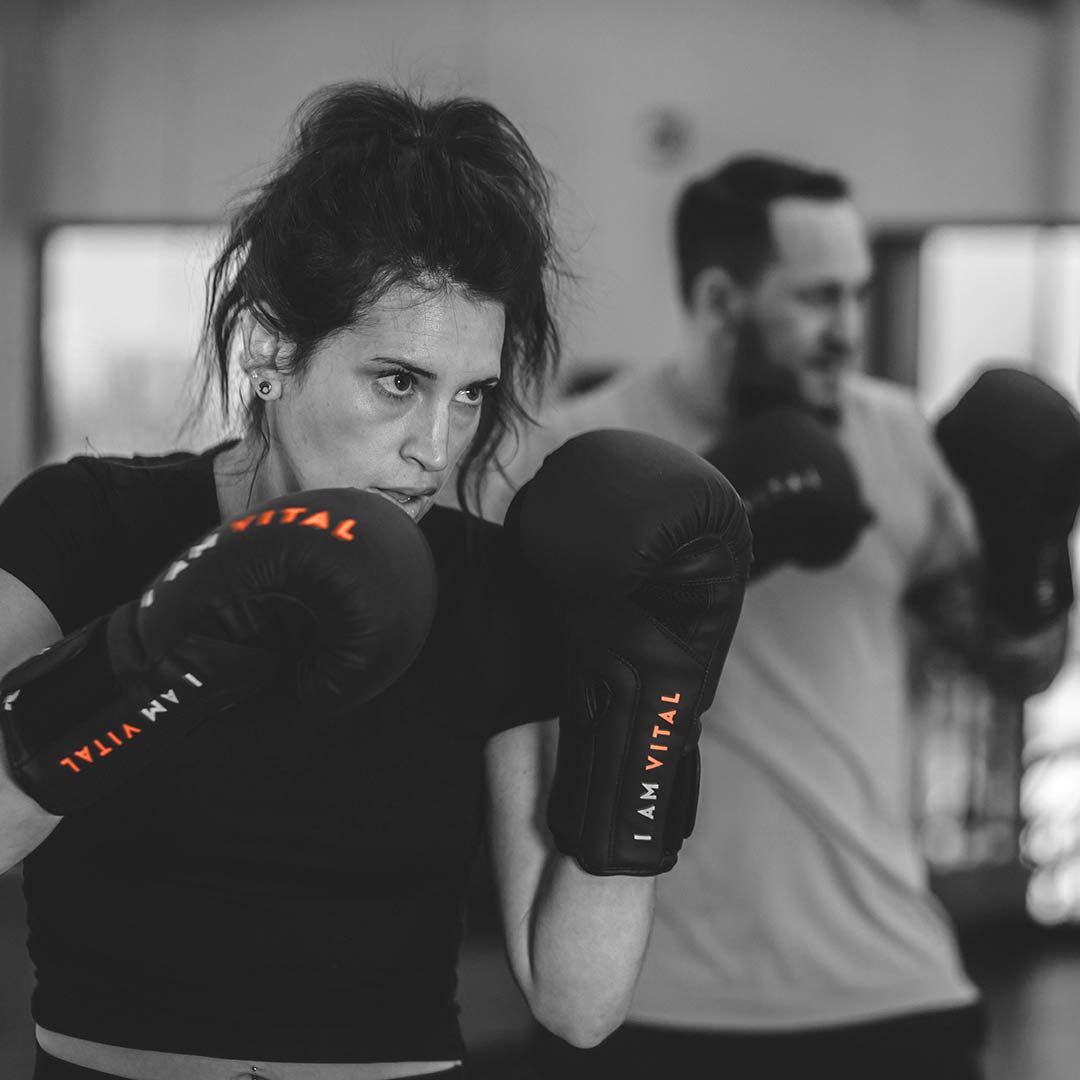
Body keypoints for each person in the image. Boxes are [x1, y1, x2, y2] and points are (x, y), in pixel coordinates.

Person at [0, 83, 752, 1080]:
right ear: (271, 348)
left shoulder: (488, 587)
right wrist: (155, 653)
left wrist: (652, 710)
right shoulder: (84, 526)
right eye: (397, 381)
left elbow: (578, 1005)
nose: (433, 450)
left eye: (471, 394)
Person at [473, 155, 1075, 1079]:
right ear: (722, 301)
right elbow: (507, 694)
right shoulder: (577, 455)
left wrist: (1030, 554)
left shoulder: (901, 441)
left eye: (860, 295)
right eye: (819, 299)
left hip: (891, 990)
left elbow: (1020, 667)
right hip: (642, 998)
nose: (851, 329)